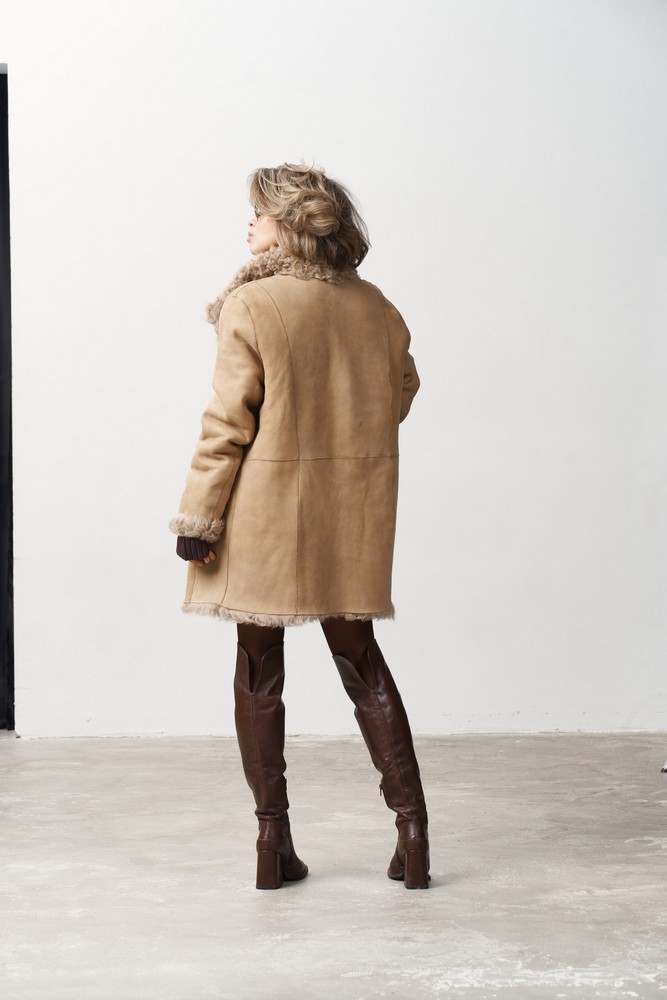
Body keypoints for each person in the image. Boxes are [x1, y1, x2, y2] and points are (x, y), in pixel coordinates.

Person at [171, 164, 429, 890]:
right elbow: (404, 387)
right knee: (361, 660)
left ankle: (272, 842)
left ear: (286, 223)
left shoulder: (251, 304)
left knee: (259, 667)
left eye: (257, 212)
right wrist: (349, 429)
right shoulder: (375, 305)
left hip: (267, 513)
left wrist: (199, 516)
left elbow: (227, 423)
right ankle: (413, 835)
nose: (248, 223)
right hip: (351, 509)